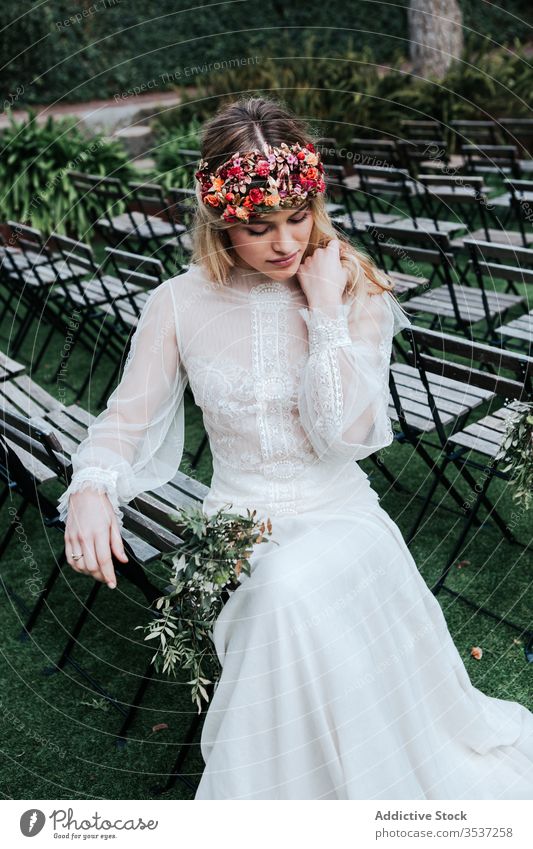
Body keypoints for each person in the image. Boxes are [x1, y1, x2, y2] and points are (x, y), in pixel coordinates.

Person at [59, 96, 533, 800]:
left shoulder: (351, 287)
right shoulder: (176, 304)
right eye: (258, 227)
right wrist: (92, 488)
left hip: (340, 515)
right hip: (239, 523)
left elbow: (341, 436)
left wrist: (328, 315)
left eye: (296, 218)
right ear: (222, 219)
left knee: (286, 590)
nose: (283, 243)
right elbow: (124, 420)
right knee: (277, 588)